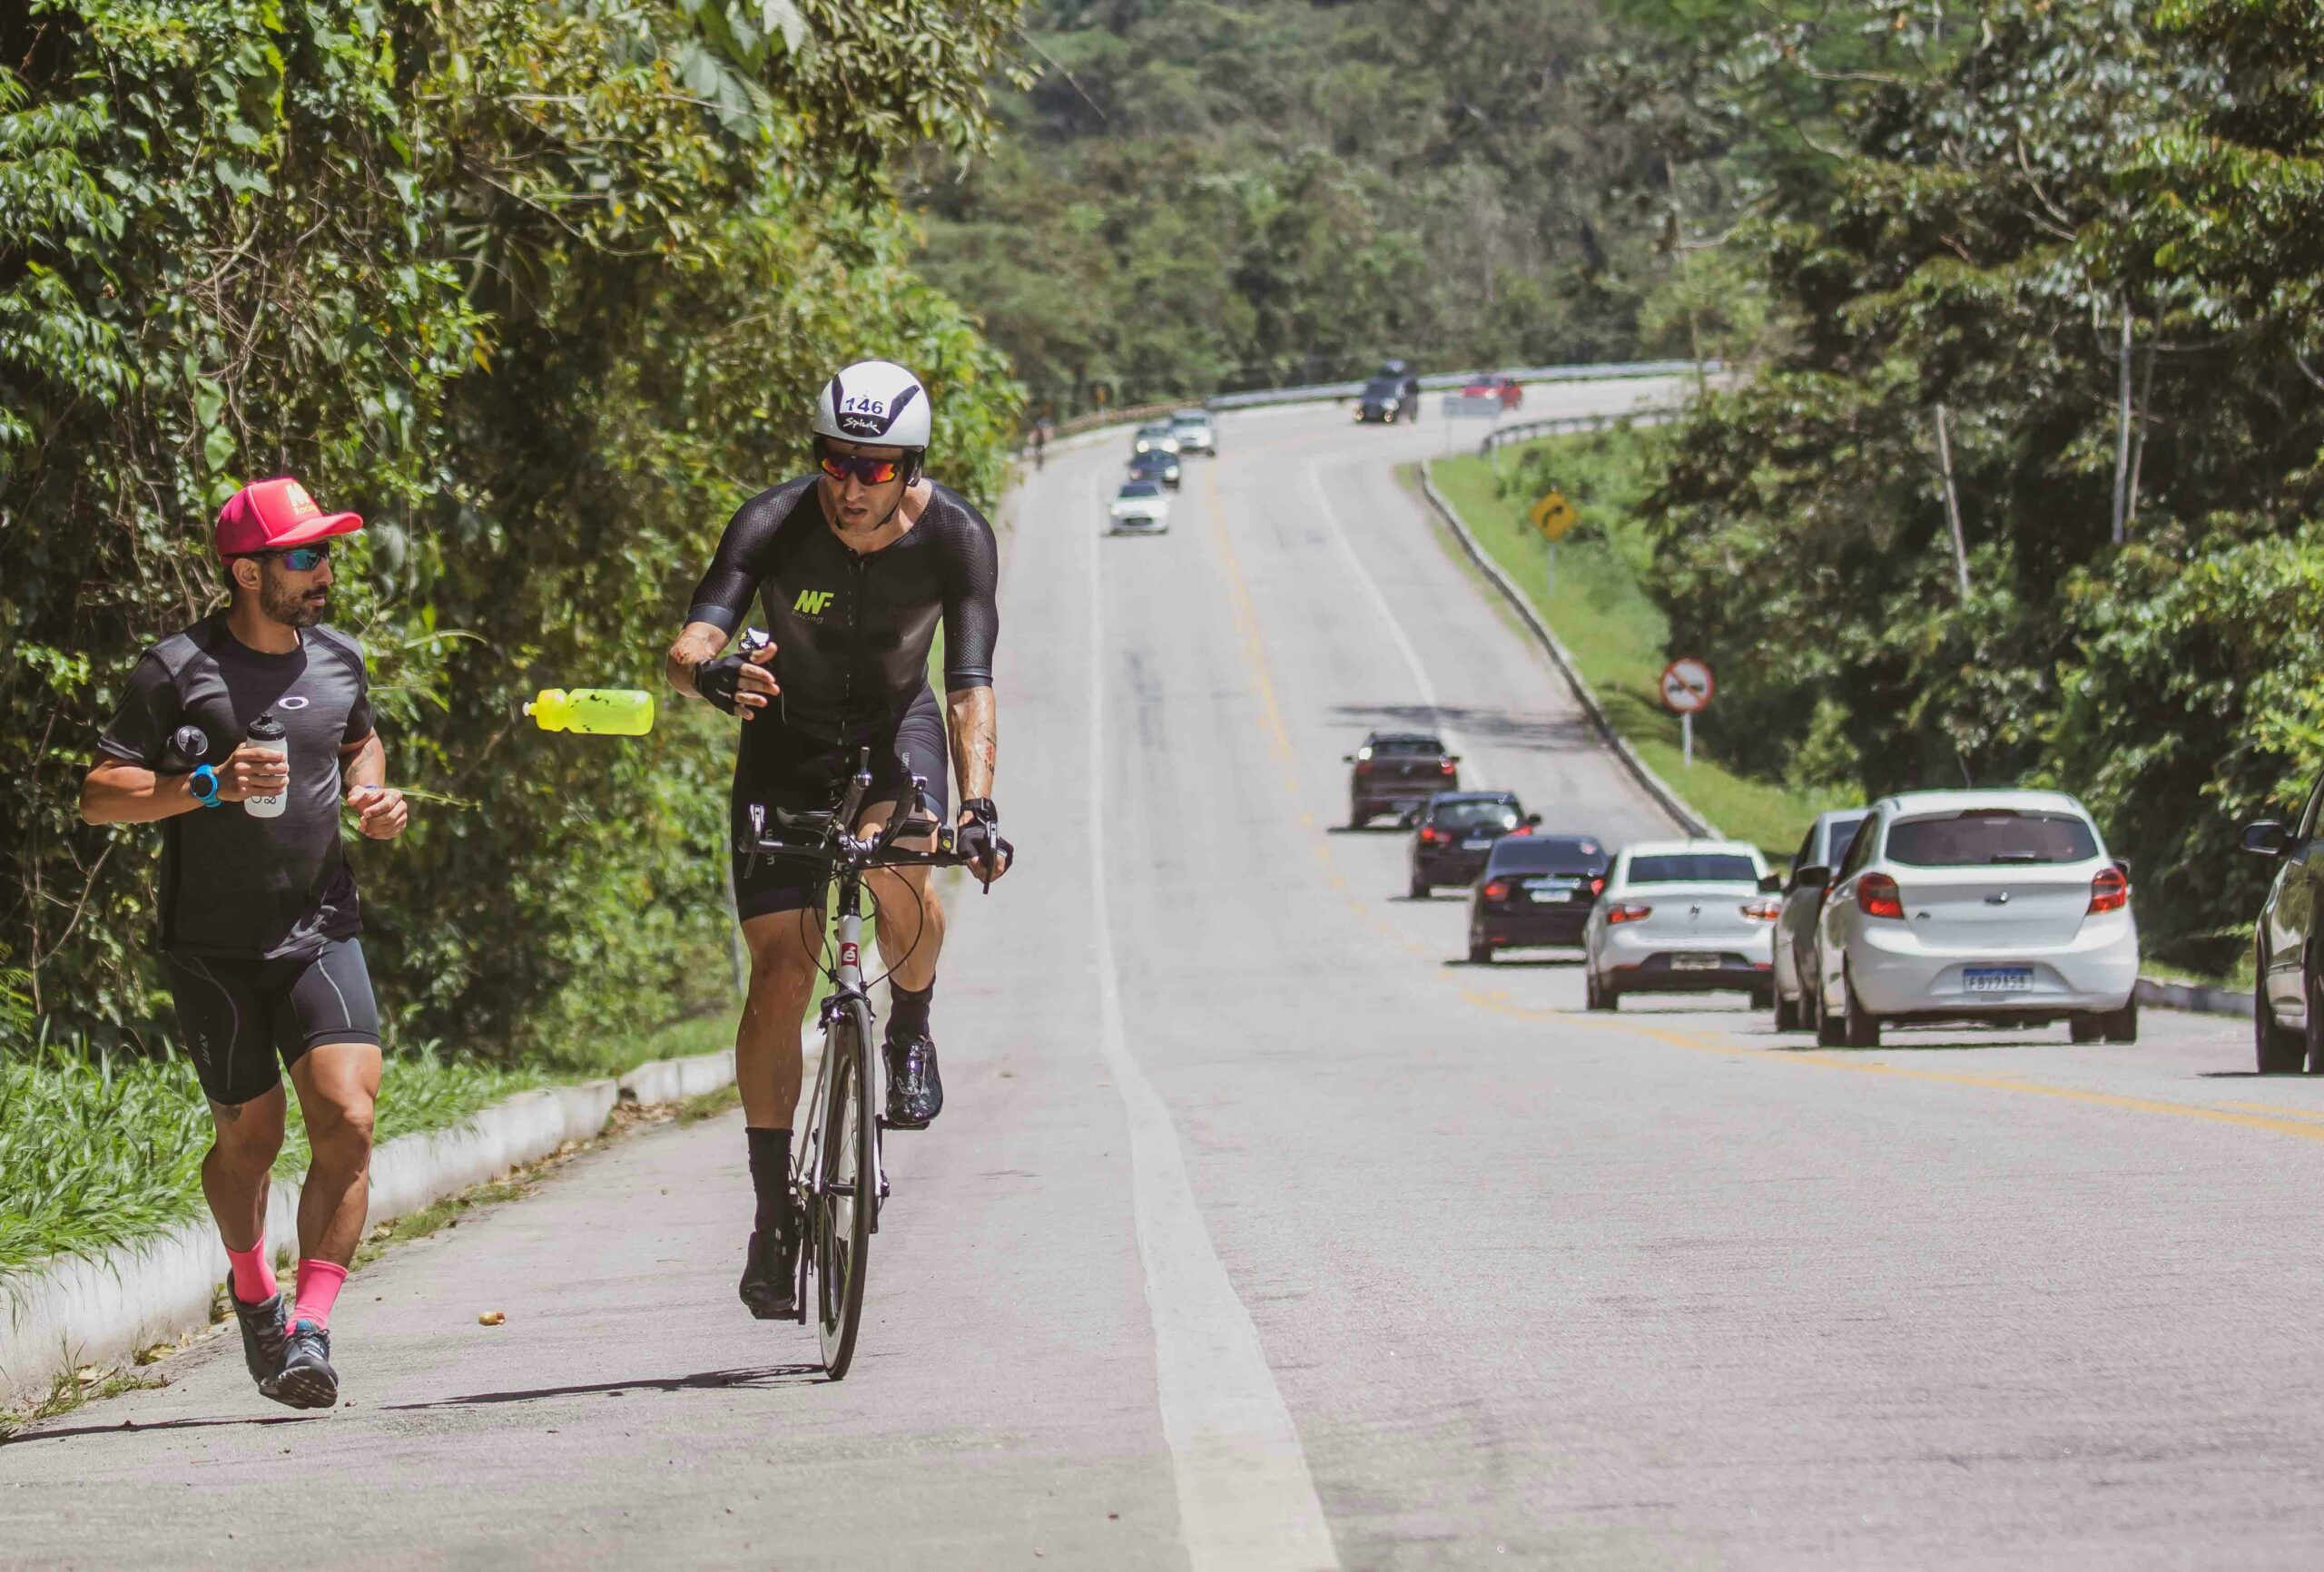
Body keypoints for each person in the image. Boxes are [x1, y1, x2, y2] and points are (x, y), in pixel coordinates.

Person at [665, 359, 1012, 1320]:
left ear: (911, 467)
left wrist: (979, 806)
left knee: (906, 878)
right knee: (779, 968)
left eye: (875, 467)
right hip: (784, 745)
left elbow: (969, 685)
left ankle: (909, 1027)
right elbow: (687, 646)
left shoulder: (956, 537)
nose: (851, 486)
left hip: (894, 734)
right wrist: (711, 675)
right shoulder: (772, 521)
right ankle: (772, 1217)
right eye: (835, 462)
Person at [81, 477, 409, 1409]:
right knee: (250, 1143)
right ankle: (255, 1288)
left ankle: (310, 1328)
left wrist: (370, 794)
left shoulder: (339, 659)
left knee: (348, 1117)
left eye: (325, 553)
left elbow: (359, 741)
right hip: (211, 946)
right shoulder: (176, 670)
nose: (323, 571)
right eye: (303, 556)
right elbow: (100, 795)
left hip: (319, 927)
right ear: (246, 571)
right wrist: (210, 785)